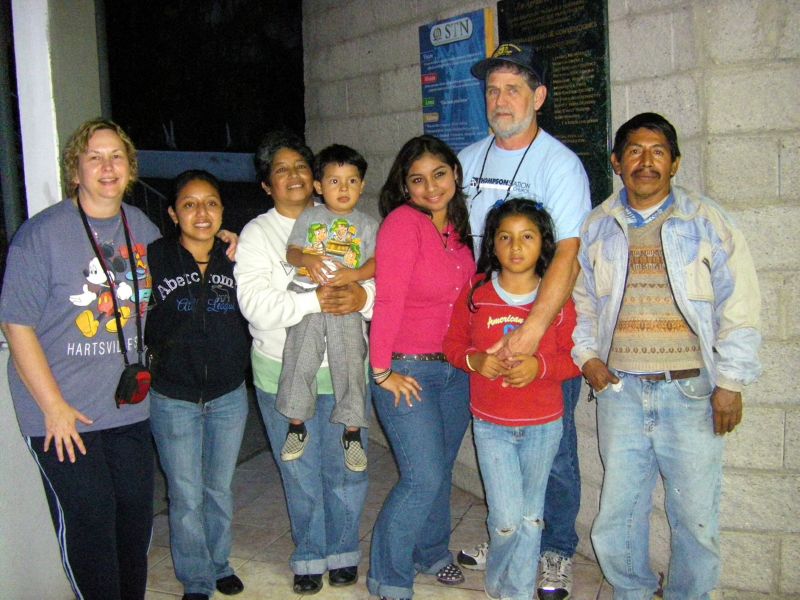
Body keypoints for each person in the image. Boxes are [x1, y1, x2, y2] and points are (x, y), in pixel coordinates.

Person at [572, 113, 762, 599]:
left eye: (658, 151)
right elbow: (583, 302)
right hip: (620, 392)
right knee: (618, 515)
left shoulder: (707, 221)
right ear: (617, 162)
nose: (646, 161)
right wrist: (588, 357)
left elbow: (739, 304)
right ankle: (632, 591)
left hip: (691, 392)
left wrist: (731, 383)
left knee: (695, 519)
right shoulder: (598, 225)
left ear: (674, 163)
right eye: (635, 151)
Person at [0, 118, 161, 599]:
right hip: (64, 416)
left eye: (116, 156)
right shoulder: (42, 234)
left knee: (134, 526)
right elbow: (17, 324)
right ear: (76, 170)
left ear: (130, 167)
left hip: (129, 409)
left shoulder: (144, 227)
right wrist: (53, 407)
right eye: (94, 157)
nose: (107, 167)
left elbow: (178, 275)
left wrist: (223, 244)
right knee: (91, 530)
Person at [456, 42, 591, 600]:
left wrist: (532, 333)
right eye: (492, 89)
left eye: (513, 88)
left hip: (544, 334)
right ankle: (510, 541)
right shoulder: (467, 160)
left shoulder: (559, 164)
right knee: (498, 447)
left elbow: (568, 254)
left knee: (554, 455)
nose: (500, 99)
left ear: (538, 97)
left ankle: (554, 549)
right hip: (488, 332)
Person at [234, 131, 373, 595]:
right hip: (281, 371)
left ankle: (344, 552)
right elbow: (256, 306)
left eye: (299, 167)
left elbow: (381, 281)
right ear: (266, 184)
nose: (292, 176)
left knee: (347, 469)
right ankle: (310, 554)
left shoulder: (347, 220)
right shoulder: (259, 234)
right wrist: (315, 301)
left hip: (345, 370)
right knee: (300, 472)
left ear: (314, 178)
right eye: (280, 170)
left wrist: (362, 297)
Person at [443, 199, 579, 600]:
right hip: (492, 426)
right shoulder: (477, 292)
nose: (516, 246)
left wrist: (540, 367)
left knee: (531, 518)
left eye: (527, 237)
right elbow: (452, 344)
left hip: (543, 426)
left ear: (543, 243)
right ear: (493, 244)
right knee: (505, 520)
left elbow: (574, 356)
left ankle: (514, 593)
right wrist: (476, 360)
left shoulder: (555, 297)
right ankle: (497, 582)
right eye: (505, 237)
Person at [367, 135, 476, 600]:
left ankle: (431, 552)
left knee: (441, 470)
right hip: (406, 371)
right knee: (422, 477)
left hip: (454, 372)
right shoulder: (402, 223)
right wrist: (381, 371)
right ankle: (389, 578)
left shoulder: (458, 228)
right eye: (418, 179)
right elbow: (388, 300)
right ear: (404, 186)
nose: (431, 187)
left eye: (439, 174)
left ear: (455, 174)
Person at [146, 170, 251, 600]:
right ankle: (196, 578)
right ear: (174, 214)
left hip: (229, 394)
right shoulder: (154, 257)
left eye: (210, 203)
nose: (201, 212)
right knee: (186, 494)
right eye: (189, 204)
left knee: (218, 489)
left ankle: (220, 563)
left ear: (222, 210)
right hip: (173, 396)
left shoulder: (240, 256)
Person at [277, 144, 378, 472]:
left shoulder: (368, 224)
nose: (343, 188)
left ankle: (352, 430)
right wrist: (308, 258)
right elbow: (292, 252)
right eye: (334, 181)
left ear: (362, 185)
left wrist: (354, 275)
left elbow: (377, 263)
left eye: (352, 181)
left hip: (345, 298)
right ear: (319, 186)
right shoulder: (310, 216)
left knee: (350, 358)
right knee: (300, 354)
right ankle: (296, 424)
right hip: (308, 293)